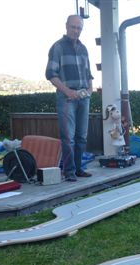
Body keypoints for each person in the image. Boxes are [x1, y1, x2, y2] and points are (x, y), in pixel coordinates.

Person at [46, 15, 94, 182]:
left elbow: (89, 74)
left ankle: (79, 169)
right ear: (66, 26)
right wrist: (67, 92)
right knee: (68, 138)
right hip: (67, 99)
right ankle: (69, 172)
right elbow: (51, 74)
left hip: (84, 98)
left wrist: (90, 89)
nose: (76, 30)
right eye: (73, 27)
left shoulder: (83, 49)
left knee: (82, 137)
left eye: (79, 28)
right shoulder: (57, 47)